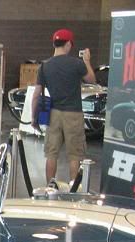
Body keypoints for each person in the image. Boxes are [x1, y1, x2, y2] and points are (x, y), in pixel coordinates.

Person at [31, 29, 96, 183]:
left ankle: (50, 187)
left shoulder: (44, 66)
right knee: (75, 155)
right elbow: (91, 80)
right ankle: (73, 189)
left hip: (53, 114)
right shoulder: (77, 64)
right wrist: (87, 60)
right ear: (67, 44)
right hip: (74, 114)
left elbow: (36, 95)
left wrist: (34, 118)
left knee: (51, 154)